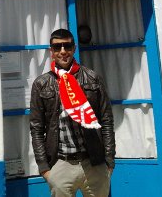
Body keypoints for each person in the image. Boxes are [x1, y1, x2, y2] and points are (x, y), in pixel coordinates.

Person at [30, 28, 115, 197]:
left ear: (74, 48)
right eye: (57, 47)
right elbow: (36, 129)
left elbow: (106, 120)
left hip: (94, 163)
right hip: (61, 164)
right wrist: (44, 168)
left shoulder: (92, 78)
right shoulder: (41, 84)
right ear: (51, 51)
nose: (63, 51)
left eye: (67, 46)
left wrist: (109, 161)